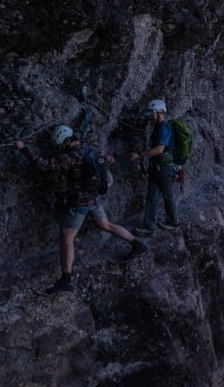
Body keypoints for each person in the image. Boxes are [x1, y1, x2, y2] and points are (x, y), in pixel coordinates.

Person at [17, 125, 149, 295]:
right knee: (105, 224)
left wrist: (24, 149)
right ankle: (137, 244)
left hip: (79, 202)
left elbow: (46, 165)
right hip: (94, 198)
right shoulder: (90, 147)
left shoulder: (72, 156)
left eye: (61, 145)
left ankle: (66, 280)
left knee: (67, 238)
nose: (61, 149)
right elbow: (109, 160)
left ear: (67, 141)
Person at [131, 98, 179, 236]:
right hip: (158, 168)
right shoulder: (159, 126)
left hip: (164, 169)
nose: (150, 117)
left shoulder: (163, 127)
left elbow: (159, 149)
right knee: (153, 197)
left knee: (167, 196)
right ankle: (149, 226)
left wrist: (139, 154)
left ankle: (172, 222)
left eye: (151, 114)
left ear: (159, 112)